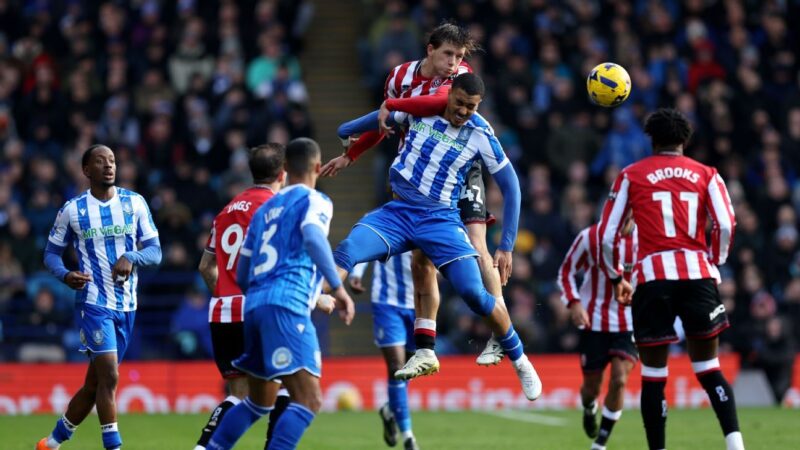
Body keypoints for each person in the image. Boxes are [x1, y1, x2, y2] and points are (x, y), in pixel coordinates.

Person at [331, 73, 541, 400]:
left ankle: (520, 359)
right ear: (449, 95)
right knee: (348, 248)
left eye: (471, 107)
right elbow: (382, 116)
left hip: (440, 220)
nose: (463, 111)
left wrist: (507, 246)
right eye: (459, 103)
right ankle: (324, 297)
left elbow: (511, 186)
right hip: (398, 213)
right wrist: (346, 130)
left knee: (473, 293)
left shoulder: (481, 133)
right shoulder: (421, 110)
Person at [321, 21, 506, 370]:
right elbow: (387, 122)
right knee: (420, 262)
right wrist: (351, 154)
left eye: (459, 56)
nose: (455, 63)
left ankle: (499, 328)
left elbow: (429, 103)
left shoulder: (458, 77)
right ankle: (426, 348)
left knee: (478, 245)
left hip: (462, 167)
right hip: (420, 172)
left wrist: (386, 106)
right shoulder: (399, 77)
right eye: (448, 54)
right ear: (430, 50)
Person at [597, 108, 743, 450]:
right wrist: (714, 261)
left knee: (654, 376)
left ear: (652, 139)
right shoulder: (708, 173)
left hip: (652, 278)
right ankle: (736, 445)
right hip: (698, 276)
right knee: (709, 367)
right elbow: (726, 223)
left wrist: (617, 275)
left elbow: (607, 235)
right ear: (684, 141)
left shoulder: (632, 175)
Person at [207, 138, 355, 450]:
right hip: (286, 306)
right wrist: (338, 288)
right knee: (309, 399)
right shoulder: (315, 201)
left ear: (286, 168)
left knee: (256, 402)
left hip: (254, 306)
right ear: (317, 167)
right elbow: (314, 238)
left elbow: (243, 272)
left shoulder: (266, 210)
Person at [37, 144, 162, 450]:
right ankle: (114, 446)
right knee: (110, 375)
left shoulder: (135, 203)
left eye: (112, 161)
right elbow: (51, 254)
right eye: (100, 161)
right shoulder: (72, 210)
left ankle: (53, 441)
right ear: (86, 170)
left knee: (95, 385)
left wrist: (132, 256)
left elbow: (155, 251)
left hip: (127, 305)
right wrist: (65, 274)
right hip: (93, 303)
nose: (109, 166)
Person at [193, 143, 290, 450]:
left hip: (222, 312)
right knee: (287, 383)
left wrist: (225, 295)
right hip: (257, 309)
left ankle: (202, 448)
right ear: (282, 175)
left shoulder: (226, 211)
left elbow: (205, 266)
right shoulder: (276, 208)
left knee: (237, 393)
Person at [557, 218, 638, 450]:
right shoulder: (590, 237)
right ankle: (589, 407)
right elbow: (566, 271)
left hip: (629, 323)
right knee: (591, 388)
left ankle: (601, 442)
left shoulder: (647, 238)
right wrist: (573, 303)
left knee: (620, 379)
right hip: (593, 322)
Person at [350, 252, 420, 450]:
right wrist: (356, 273)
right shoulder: (376, 219)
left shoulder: (431, 219)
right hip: (386, 302)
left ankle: (390, 410)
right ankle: (408, 437)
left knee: (410, 367)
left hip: (420, 301)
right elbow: (364, 244)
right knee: (396, 368)